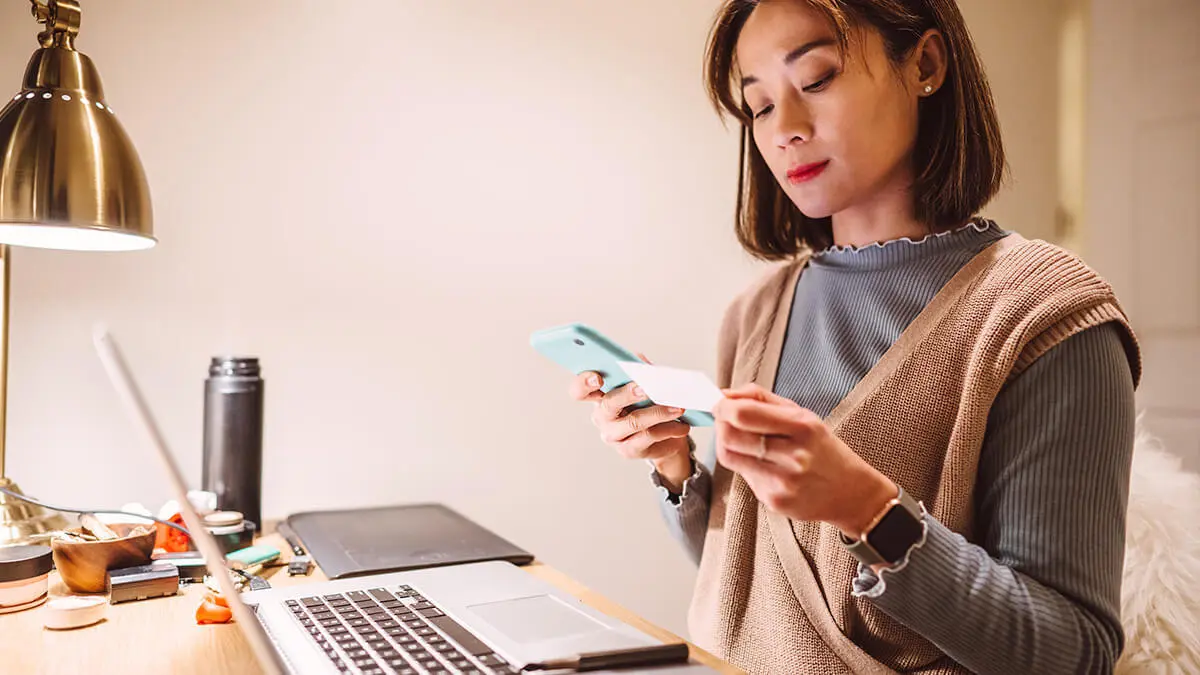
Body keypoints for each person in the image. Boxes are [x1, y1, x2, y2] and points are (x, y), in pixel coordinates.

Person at [567, 1, 1141, 673]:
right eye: (759, 107)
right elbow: (765, 590)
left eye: (815, 80)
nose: (786, 129)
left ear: (925, 64)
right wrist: (675, 468)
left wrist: (866, 509)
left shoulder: (1044, 314)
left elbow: (1072, 652)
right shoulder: (754, 311)